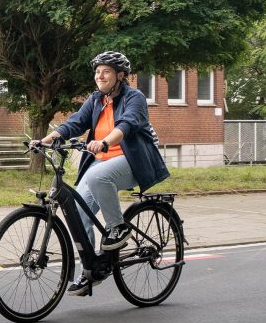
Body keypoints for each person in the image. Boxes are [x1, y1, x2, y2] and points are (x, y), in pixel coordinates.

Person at [30, 51, 169, 296]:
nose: (99, 76)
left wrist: (104, 142)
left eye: (105, 71)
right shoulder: (96, 100)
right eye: (97, 72)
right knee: (76, 210)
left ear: (120, 75)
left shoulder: (134, 97)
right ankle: (92, 271)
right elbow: (74, 123)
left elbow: (126, 124)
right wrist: (45, 140)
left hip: (133, 160)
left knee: (97, 177)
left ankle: (118, 227)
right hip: (102, 160)